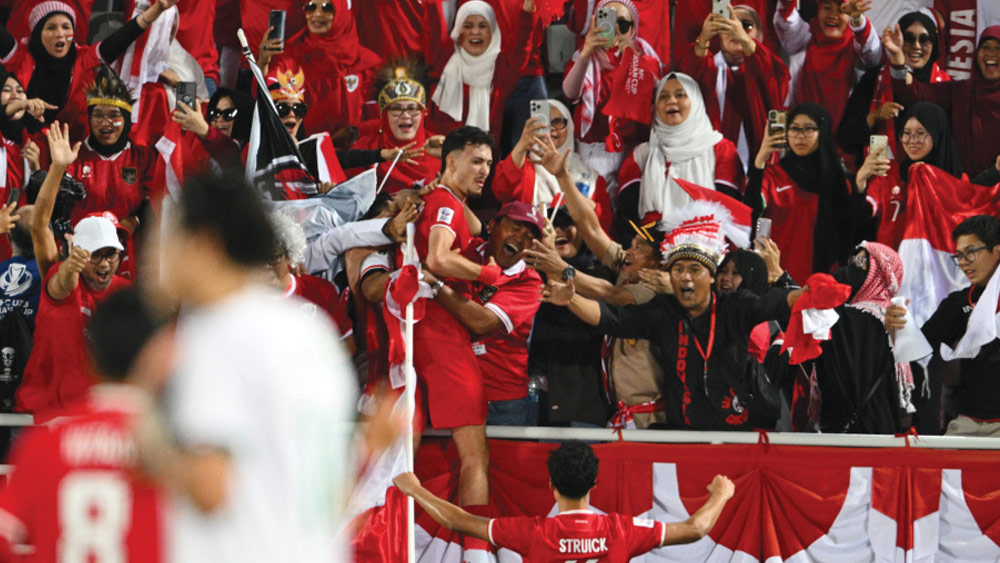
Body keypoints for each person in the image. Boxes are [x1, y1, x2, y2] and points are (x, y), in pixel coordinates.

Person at [134, 171, 357, 563]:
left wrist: (144, 427)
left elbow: (209, 488)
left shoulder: (218, 334)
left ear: (203, 244)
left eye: (166, 239)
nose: (155, 256)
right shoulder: (315, 334)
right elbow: (336, 493)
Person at [544, 201, 803, 431]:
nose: (685, 277)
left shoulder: (734, 306)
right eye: (678, 269)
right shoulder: (664, 311)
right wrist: (571, 300)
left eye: (694, 270)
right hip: (680, 433)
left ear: (711, 277)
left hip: (732, 434)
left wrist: (805, 293)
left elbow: (774, 303)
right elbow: (612, 319)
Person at [0, 288, 167, 562]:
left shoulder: (44, 444)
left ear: (91, 356)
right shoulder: (174, 454)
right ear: (159, 357)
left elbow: (5, 534)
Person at [523, 138, 665, 428]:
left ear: (657, 261)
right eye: (631, 244)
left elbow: (609, 293)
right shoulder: (629, 267)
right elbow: (590, 227)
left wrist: (559, 267)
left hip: (649, 415)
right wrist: (562, 176)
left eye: (639, 248)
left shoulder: (654, 289)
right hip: (621, 409)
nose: (629, 251)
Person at [393, 440, 736, 559]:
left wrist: (414, 489)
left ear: (551, 486)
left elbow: (458, 520)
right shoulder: (623, 530)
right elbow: (695, 528)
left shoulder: (532, 533)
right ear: (594, 485)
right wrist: (721, 493)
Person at [16, 124, 131, 421]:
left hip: (101, 416)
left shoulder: (125, 293)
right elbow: (40, 226)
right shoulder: (62, 276)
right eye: (95, 255)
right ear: (78, 252)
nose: (104, 264)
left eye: (111, 254)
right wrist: (57, 168)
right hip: (51, 417)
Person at [411, 126, 498, 511]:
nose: (485, 171)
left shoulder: (444, 199)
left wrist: (442, 177)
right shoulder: (444, 203)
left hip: (420, 328)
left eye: (488, 164)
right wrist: (486, 274)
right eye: (476, 161)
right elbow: (438, 258)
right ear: (452, 162)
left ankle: (391, 536)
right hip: (441, 333)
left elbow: (476, 227)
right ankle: (474, 543)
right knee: (475, 457)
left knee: (402, 455)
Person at [426, 201, 546, 426]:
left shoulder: (529, 282)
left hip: (500, 401)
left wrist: (435, 285)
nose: (520, 239)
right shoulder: (465, 249)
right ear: (491, 226)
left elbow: (481, 322)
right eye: (514, 228)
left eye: (529, 237)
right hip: (448, 386)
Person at [0, 0, 179, 142]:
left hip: (74, 156)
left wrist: (157, 9)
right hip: (23, 154)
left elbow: (124, 36)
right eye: (51, 27)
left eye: (66, 27)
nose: (60, 34)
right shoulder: (20, 57)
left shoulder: (84, 59)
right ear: (38, 32)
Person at [887, 216, 1000, 437]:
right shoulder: (959, 303)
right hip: (968, 423)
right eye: (958, 256)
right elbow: (919, 350)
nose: (963, 262)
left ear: (997, 251)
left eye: (970, 252)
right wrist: (896, 327)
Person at [746, 102, 867, 284]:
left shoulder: (839, 182)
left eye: (809, 129)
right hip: (777, 281)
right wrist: (760, 160)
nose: (800, 136)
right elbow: (750, 212)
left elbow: (851, 231)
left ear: (823, 132)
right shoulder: (773, 176)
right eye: (794, 128)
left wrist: (860, 187)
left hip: (823, 282)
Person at [618, 72, 744, 228]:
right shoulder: (641, 155)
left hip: (707, 238)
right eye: (663, 97)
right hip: (650, 239)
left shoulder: (721, 150)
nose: (671, 101)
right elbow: (626, 218)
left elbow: (731, 212)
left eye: (680, 95)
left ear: (696, 101)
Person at [562, 0, 663, 195]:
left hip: (635, 150)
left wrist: (633, 59)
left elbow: (658, 97)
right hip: (595, 151)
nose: (615, 29)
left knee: (631, 208)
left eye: (622, 24)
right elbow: (570, 95)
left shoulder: (646, 59)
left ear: (632, 29)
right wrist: (586, 53)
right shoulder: (582, 58)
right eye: (607, 21)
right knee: (596, 207)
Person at [679, 5, 790, 170]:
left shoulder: (772, 67)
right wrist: (703, 39)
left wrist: (745, 40)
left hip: (758, 167)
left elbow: (772, 79)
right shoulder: (707, 67)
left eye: (746, 25)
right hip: (710, 167)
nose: (735, 30)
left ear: (759, 35)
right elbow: (688, 78)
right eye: (728, 25)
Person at [836, 10, 950, 164]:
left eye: (924, 39)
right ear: (898, 40)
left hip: (930, 176)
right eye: (909, 38)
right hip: (879, 176)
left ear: (934, 44)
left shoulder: (945, 85)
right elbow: (845, 138)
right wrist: (874, 117)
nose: (916, 46)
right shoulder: (874, 78)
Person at [258, 0, 382, 140]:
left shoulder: (368, 64)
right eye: (311, 7)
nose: (317, 14)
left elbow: (380, 120)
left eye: (327, 8)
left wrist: (354, 132)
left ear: (342, 12)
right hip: (305, 148)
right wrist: (263, 63)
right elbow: (266, 97)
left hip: (356, 149)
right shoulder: (291, 57)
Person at [889, 25, 1000, 177]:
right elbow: (915, 93)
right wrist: (897, 59)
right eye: (986, 47)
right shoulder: (960, 91)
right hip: (960, 186)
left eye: (998, 48)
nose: (991, 54)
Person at [855, 102, 965, 249]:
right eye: (906, 133)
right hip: (892, 261)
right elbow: (860, 216)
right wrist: (860, 181)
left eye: (921, 133)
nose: (912, 141)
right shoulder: (889, 175)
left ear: (937, 133)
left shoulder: (957, 180)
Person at [492, 100, 613, 232]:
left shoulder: (592, 179)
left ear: (570, 127)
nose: (551, 128)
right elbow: (502, 191)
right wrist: (522, 144)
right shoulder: (522, 167)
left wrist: (588, 206)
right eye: (544, 122)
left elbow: (603, 228)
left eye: (558, 122)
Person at [424, 0, 535, 141]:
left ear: (492, 32)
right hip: (440, 150)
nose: (475, 32)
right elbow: (433, 27)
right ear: (458, 30)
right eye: (468, 26)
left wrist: (527, 15)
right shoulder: (443, 59)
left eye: (483, 26)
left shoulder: (500, 69)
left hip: (483, 152)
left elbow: (521, 47)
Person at [773, 0, 882, 133]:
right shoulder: (804, 37)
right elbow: (785, 20)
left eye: (841, 10)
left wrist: (858, 20)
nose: (832, 15)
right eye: (827, 8)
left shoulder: (858, 44)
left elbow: (873, 55)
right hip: (801, 135)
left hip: (845, 138)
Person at [267, 210, 356, 356]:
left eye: (272, 257)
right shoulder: (237, 301)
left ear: (289, 256)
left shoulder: (320, 290)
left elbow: (347, 345)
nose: (265, 265)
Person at [351, 63, 445, 194]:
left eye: (412, 109)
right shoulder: (365, 148)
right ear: (384, 116)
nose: (405, 115)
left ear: (423, 113)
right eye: (396, 109)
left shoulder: (440, 147)